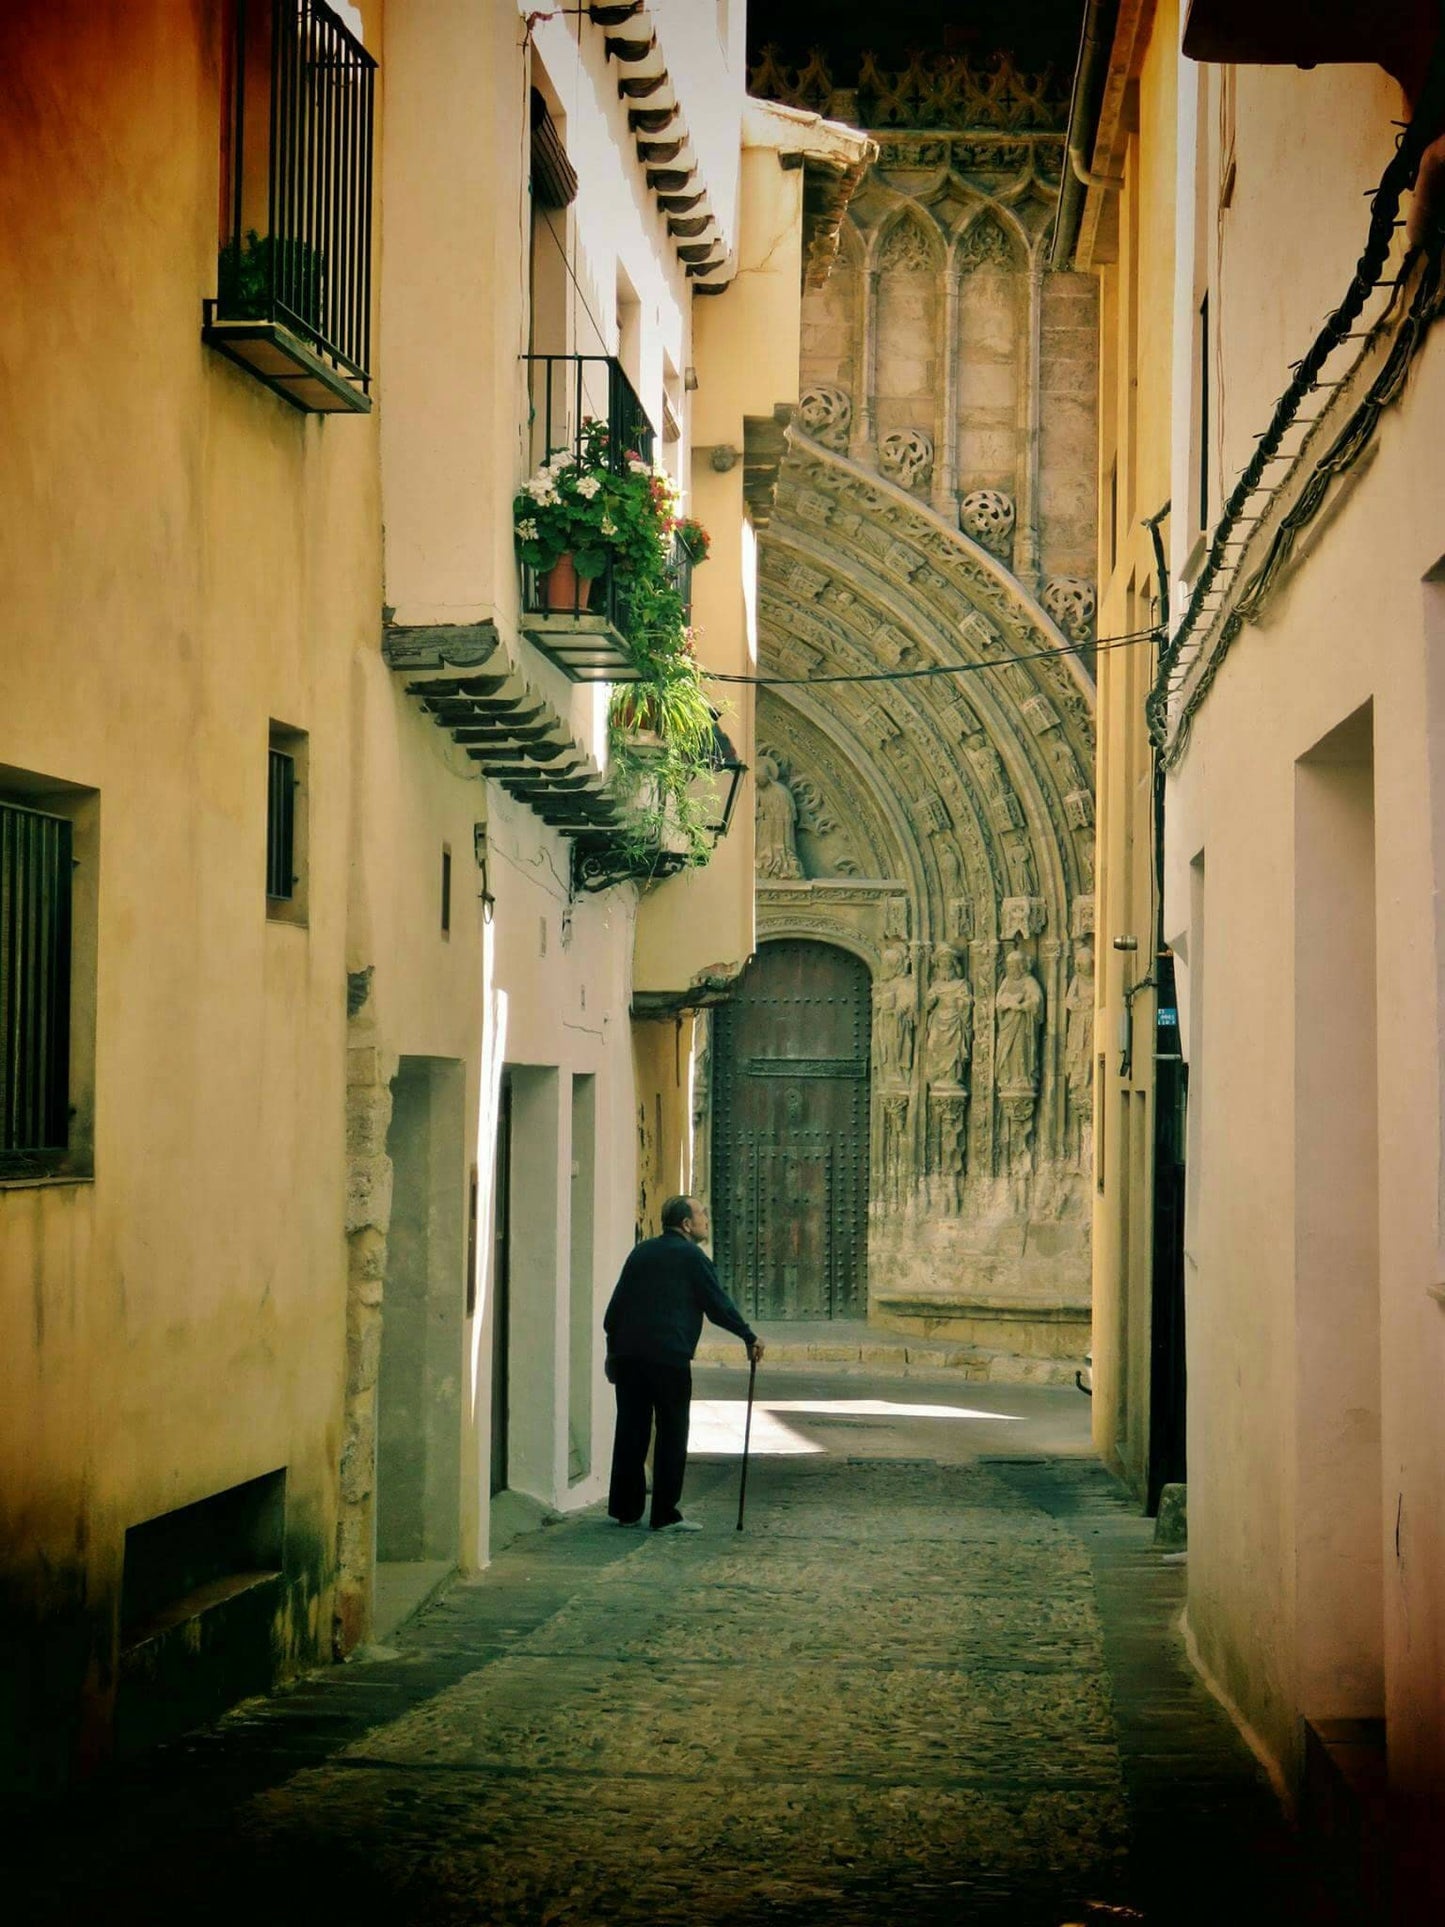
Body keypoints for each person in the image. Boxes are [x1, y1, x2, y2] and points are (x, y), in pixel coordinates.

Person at [604, 1194, 764, 1532]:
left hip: (629, 1356)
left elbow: (615, 1308)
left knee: (631, 1429)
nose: (707, 1219)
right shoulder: (693, 1258)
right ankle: (664, 1514)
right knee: (672, 1432)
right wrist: (747, 1335)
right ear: (687, 1224)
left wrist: (612, 1351)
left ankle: (626, 1510)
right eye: (702, 1214)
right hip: (668, 1358)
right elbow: (717, 1305)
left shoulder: (640, 1252)